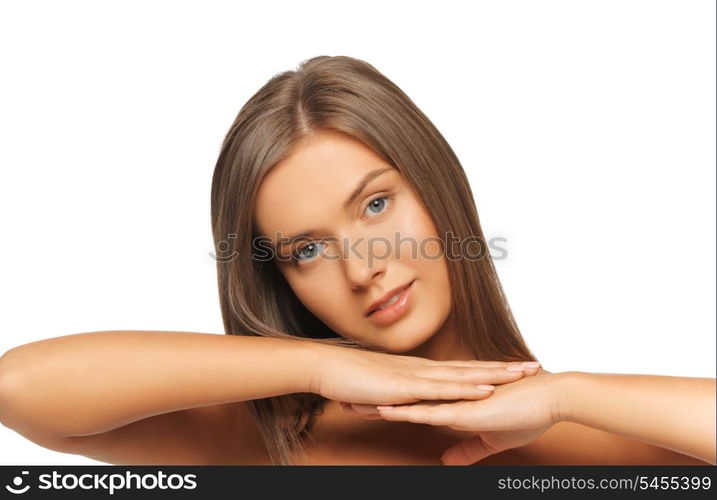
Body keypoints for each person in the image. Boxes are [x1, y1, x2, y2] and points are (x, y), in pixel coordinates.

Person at [0, 55, 713, 466]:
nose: (361, 267)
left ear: (436, 190)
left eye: (375, 205)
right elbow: (20, 387)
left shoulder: (598, 440)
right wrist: (314, 366)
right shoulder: (267, 443)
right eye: (305, 250)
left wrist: (567, 396)